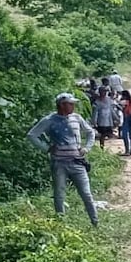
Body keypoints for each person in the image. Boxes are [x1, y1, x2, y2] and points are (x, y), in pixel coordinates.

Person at [26, 92, 98, 227]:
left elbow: (90, 132)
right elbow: (32, 135)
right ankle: (61, 224)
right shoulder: (49, 120)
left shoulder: (77, 118)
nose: (73, 106)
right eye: (70, 104)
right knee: (59, 194)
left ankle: (95, 222)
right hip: (59, 162)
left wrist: (86, 148)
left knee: (87, 194)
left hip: (77, 161)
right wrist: (46, 148)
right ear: (62, 105)